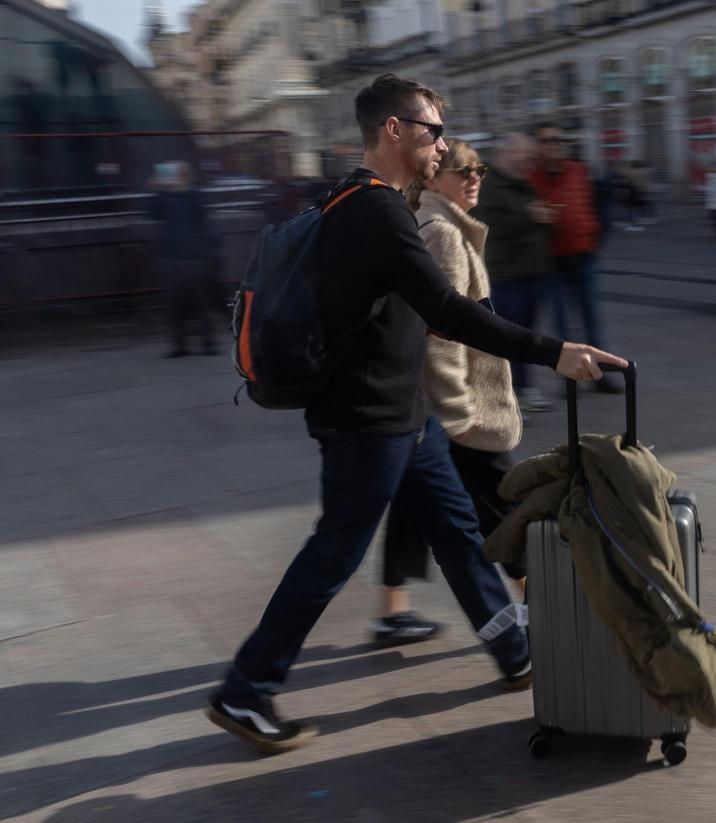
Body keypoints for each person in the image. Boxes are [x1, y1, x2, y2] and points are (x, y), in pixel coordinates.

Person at [205, 75, 626, 753]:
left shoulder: (359, 199)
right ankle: (245, 688)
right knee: (333, 552)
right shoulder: (372, 210)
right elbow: (448, 309)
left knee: (458, 529)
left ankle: (511, 648)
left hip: (407, 414)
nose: (442, 145)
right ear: (393, 130)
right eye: (431, 131)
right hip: (368, 420)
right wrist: (554, 351)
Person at [372, 138, 529, 648]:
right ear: (432, 179)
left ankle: (392, 610)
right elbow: (438, 336)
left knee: (413, 502)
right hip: (461, 405)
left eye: (479, 168)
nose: (475, 177)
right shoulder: (442, 234)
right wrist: (461, 413)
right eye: (463, 170)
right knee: (503, 503)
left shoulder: (447, 228)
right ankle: (530, 603)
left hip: (437, 406)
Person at [529, 123, 621, 394]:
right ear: (539, 147)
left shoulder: (579, 171)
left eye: (558, 140)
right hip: (553, 262)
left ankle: (599, 375)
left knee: (592, 318)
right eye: (547, 141)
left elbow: (599, 205)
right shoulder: (532, 179)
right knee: (562, 325)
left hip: (584, 256)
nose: (554, 145)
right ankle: (569, 378)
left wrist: (597, 238)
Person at [471, 132, 554, 414]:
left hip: (530, 272)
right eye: (525, 156)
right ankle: (504, 396)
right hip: (504, 276)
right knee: (506, 339)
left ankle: (524, 388)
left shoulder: (522, 184)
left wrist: (540, 219)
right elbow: (488, 226)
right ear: (507, 154)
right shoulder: (488, 185)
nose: (530, 162)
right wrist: (531, 216)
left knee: (528, 335)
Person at [147, 162, 221, 358]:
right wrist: (158, 191)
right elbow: (152, 214)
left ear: (187, 176)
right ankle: (179, 345)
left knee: (201, 301)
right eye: (174, 174)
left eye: (180, 174)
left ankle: (209, 342)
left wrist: (184, 191)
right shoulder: (165, 195)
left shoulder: (194, 195)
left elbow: (201, 213)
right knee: (174, 305)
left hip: (195, 257)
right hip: (171, 257)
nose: (176, 178)